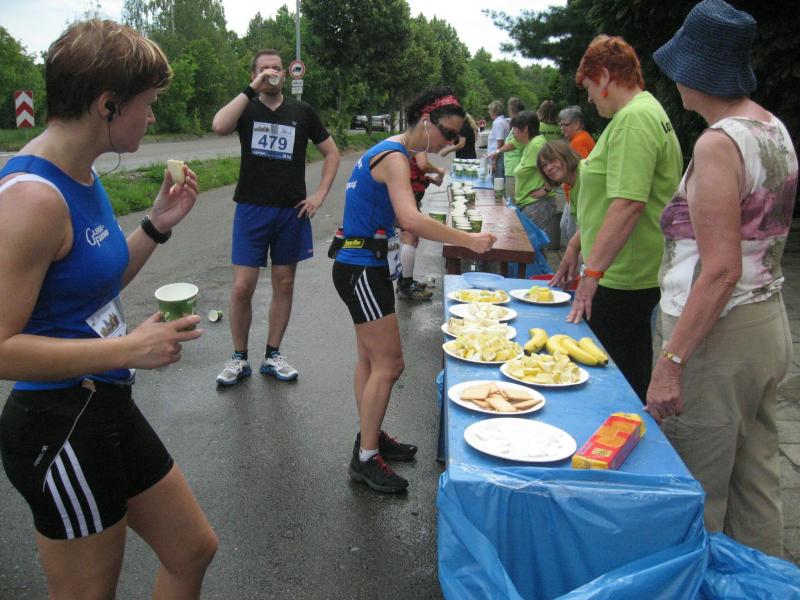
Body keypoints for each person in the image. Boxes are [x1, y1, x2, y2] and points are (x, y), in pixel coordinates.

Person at [0, 19, 217, 598]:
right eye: (147, 103)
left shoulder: (83, 172)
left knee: (192, 550)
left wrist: (157, 225)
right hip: (58, 424)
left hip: (106, 402)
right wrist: (126, 349)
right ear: (108, 104)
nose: (152, 117)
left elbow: (94, 285)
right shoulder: (31, 199)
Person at [647, 0, 796, 557]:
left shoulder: (718, 143)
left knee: (696, 491)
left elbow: (721, 268)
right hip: (765, 322)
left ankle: (696, 586)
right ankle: (766, 586)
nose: (674, 79)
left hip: (716, 335)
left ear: (697, 73)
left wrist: (672, 361)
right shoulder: (771, 127)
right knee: (757, 483)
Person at [331, 87, 496, 493]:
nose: (449, 143)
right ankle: (365, 457)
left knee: (370, 361)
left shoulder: (390, 150)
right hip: (362, 268)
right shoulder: (394, 157)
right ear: (426, 121)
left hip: (362, 265)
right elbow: (410, 219)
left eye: (457, 137)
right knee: (390, 365)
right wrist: (469, 240)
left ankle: (371, 436)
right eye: (448, 133)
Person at [549, 34, 682, 402]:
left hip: (621, 277)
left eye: (590, 87)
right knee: (628, 370)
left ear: (605, 76)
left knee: (607, 383)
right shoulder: (642, 112)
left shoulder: (633, 120)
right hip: (624, 271)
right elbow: (611, 197)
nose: (590, 98)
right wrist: (576, 244)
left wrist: (592, 274)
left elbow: (628, 204)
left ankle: (615, 435)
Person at [212, 49, 341, 386]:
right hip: (251, 209)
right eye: (264, 68)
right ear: (254, 73)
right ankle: (239, 357)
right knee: (243, 287)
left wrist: (319, 195)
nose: (271, 73)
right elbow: (219, 125)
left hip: (290, 211)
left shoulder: (302, 111)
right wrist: (250, 89)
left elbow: (332, 153)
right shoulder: (246, 107)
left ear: (285, 74)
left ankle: (273, 355)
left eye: (277, 68)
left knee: (284, 284)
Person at [396, 151, 444, 300]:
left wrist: (429, 179)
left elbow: (414, 168)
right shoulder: (419, 144)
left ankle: (404, 280)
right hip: (408, 193)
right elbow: (423, 165)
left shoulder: (410, 143)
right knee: (410, 238)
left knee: (407, 238)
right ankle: (406, 286)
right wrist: (438, 170)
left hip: (408, 192)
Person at [510, 110, 556, 253]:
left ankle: (539, 269)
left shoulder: (537, 145)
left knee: (534, 249)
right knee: (530, 248)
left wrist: (547, 188)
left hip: (537, 205)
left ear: (525, 129)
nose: (512, 133)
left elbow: (555, 167)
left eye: (514, 129)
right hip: (528, 204)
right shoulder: (530, 144)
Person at [558, 105, 595, 243]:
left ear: (577, 124)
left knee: (571, 232)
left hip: (578, 196)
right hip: (573, 196)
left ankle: (575, 255)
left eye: (565, 124)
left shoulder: (579, 141)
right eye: (561, 124)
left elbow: (580, 171)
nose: (562, 128)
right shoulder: (579, 138)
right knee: (565, 227)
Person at [488, 97, 526, 200]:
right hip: (511, 165)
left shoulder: (516, 124)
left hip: (513, 166)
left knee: (509, 197)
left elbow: (508, 143)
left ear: (511, 109)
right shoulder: (508, 122)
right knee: (508, 194)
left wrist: (495, 154)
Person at [486, 100, 510, 178]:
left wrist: (494, 161)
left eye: (490, 110)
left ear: (494, 111)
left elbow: (500, 143)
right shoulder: (503, 121)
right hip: (500, 156)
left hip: (497, 158)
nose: (489, 112)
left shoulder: (498, 123)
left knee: (496, 181)